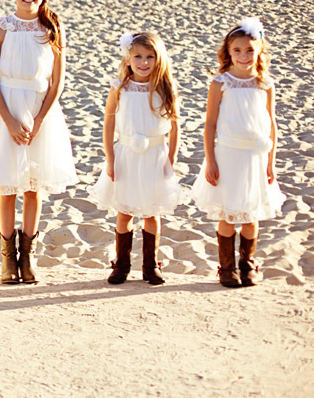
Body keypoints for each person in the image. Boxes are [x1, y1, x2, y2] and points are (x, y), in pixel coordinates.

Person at [0, 0, 78, 284]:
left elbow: (57, 79)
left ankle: (27, 257)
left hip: (41, 109)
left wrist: (41, 118)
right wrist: (10, 121)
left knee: (33, 187)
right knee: (7, 187)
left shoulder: (52, 28)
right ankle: (7, 259)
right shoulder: (0, 28)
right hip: (6, 110)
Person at [191, 17, 285, 288]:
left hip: (255, 157)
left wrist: (271, 162)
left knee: (250, 214)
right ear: (228, 52)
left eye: (250, 50)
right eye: (237, 51)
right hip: (228, 155)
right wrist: (210, 160)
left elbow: (271, 122)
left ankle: (248, 264)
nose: (244, 56)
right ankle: (227, 267)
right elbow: (210, 124)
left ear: (259, 51)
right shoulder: (221, 83)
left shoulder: (265, 83)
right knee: (228, 214)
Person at [88, 32, 181, 286]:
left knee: (151, 212)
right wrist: (110, 157)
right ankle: (122, 265)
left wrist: (170, 159)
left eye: (150, 57)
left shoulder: (165, 87)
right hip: (126, 154)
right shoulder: (119, 86)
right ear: (127, 58)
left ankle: (151, 266)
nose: (144, 62)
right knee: (125, 211)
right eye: (137, 56)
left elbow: (174, 127)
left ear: (158, 59)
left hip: (154, 155)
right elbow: (108, 121)